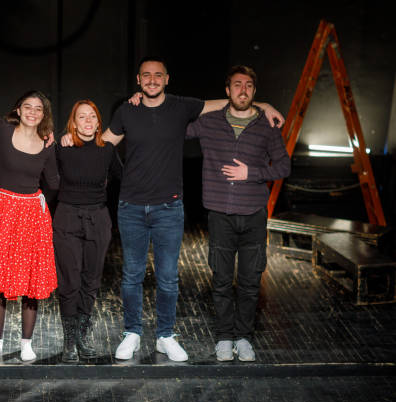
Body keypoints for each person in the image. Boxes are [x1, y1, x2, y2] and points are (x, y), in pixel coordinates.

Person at [63, 56, 284, 362]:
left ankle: (165, 336)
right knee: (132, 276)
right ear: (138, 81)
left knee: (168, 277)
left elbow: (223, 102)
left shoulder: (182, 107)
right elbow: (103, 142)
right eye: (146, 76)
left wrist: (263, 105)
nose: (152, 80)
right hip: (131, 207)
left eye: (158, 75)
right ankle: (133, 333)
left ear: (167, 79)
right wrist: (69, 138)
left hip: (169, 207)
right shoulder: (127, 110)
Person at [186, 65, 290, 362]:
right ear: (227, 90)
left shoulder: (266, 126)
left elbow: (284, 167)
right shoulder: (209, 123)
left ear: (254, 92)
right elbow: (171, 129)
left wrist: (251, 173)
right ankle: (223, 337)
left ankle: (243, 337)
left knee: (250, 281)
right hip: (220, 215)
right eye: (236, 85)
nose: (242, 90)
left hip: (254, 215)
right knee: (220, 280)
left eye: (248, 86)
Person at [0, 90, 59, 363]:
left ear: (44, 114)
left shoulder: (47, 143)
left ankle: (26, 344)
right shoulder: (3, 130)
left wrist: (42, 198)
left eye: (38, 109)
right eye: (27, 106)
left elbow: (53, 181)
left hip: (32, 214)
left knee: (32, 281)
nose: (32, 112)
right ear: (18, 109)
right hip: (5, 211)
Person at [54, 100, 121, 363]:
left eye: (92, 116)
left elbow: (124, 180)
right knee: (69, 280)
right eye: (82, 117)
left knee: (91, 280)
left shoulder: (107, 151)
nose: (88, 121)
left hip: (98, 217)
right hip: (68, 216)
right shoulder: (62, 148)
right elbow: (47, 178)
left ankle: (82, 335)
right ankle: (69, 340)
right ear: (73, 122)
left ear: (98, 123)